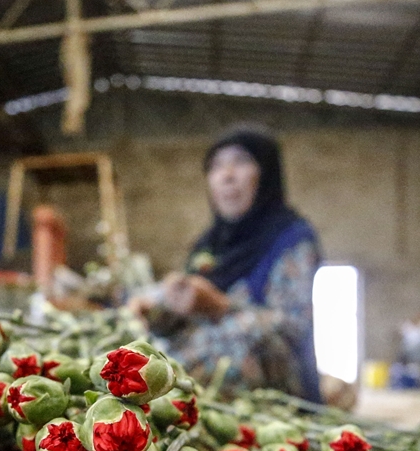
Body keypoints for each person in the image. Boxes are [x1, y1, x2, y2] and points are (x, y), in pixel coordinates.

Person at [134, 128, 323, 402]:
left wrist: (219, 306)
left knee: (221, 350)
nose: (227, 175)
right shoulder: (209, 244)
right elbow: (182, 314)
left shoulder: (291, 239)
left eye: (241, 161)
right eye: (216, 166)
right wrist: (156, 305)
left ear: (267, 173)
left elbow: (292, 327)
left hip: (278, 386)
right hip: (204, 372)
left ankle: (172, 396)